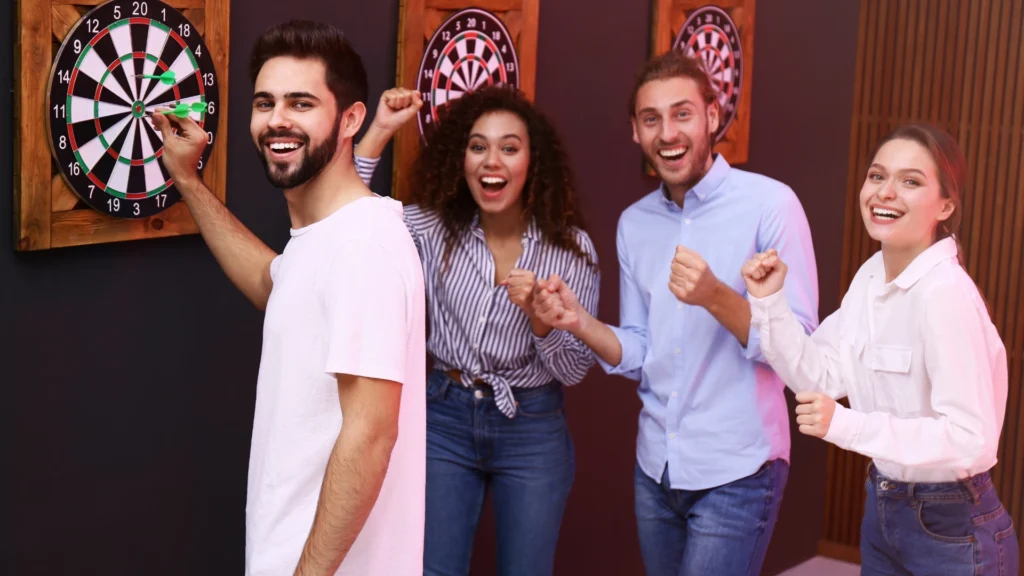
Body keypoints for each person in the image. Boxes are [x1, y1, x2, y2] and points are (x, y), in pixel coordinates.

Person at [150, 20, 426, 576]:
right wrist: (187, 181)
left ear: (350, 119)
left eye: (301, 103)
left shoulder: (360, 247)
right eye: (265, 102)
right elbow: (274, 286)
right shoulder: (324, 240)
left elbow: (371, 435)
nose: (278, 119)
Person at [530, 50, 820, 575]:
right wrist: (579, 321)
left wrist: (715, 295)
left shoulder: (771, 206)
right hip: (657, 468)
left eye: (682, 113)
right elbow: (642, 349)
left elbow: (799, 352)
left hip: (739, 467)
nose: (668, 132)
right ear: (634, 133)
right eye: (651, 119)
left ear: (712, 115)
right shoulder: (634, 224)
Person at [742, 123, 1018, 575]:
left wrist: (848, 425)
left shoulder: (943, 294)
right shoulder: (871, 277)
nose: (885, 192)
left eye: (910, 181)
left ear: (945, 205)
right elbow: (819, 377)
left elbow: (972, 439)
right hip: (885, 506)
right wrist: (769, 301)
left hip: (953, 527)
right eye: (877, 176)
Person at [352, 84, 600, 576]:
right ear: (460, 159)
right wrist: (379, 130)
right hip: (444, 418)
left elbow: (574, 372)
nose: (493, 161)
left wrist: (540, 321)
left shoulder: (571, 251)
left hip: (532, 426)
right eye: (478, 146)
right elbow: (350, 216)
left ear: (532, 162)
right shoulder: (429, 228)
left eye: (510, 147)